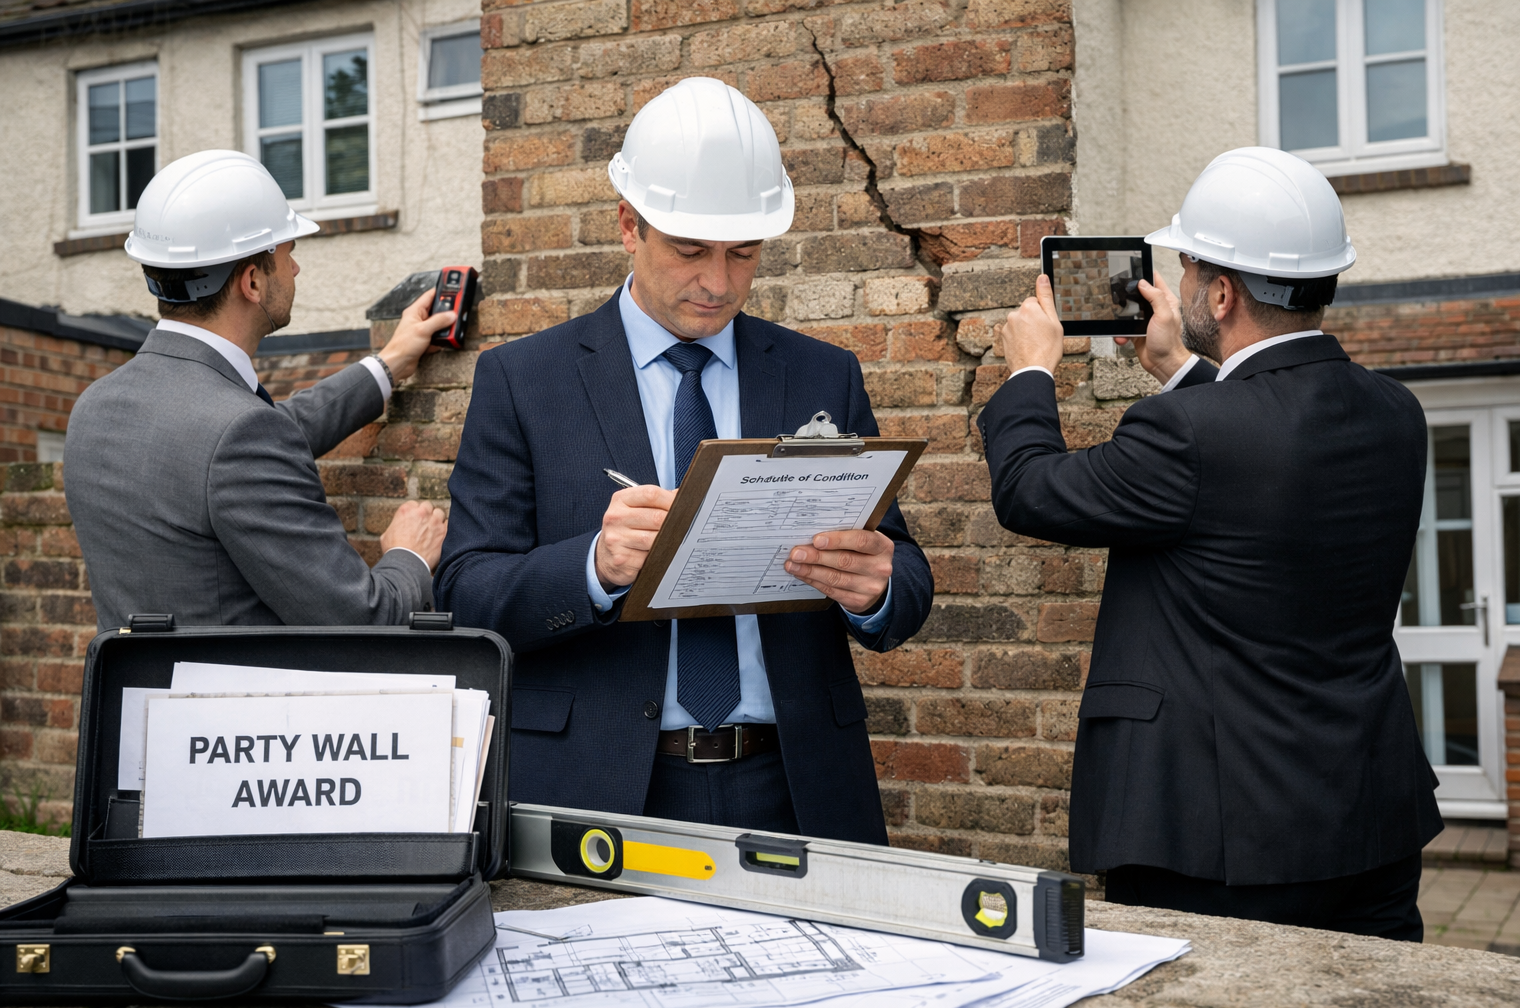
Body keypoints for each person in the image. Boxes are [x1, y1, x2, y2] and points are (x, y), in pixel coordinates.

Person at [436, 78, 933, 843]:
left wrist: (875, 588)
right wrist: (594, 567)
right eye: (691, 250)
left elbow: (903, 574)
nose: (720, 282)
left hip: (796, 783)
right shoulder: (524, 380)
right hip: (597, 787)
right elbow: (466, 596)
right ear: (629, 225)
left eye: (744, 253)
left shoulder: (820, 374)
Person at [978, 147, 1442, 939]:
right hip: (1368, 821)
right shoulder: (1395, 412)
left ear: (1221, 293)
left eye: (1189, 268)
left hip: (1216, 842)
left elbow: (1030, 491)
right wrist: (1184, 371)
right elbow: (1261, 467)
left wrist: (1031, 373)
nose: (1182, 283)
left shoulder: (1187, 434)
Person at [67, 150, 451, 629]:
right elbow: (364, 617)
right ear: (251, 280)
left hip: (131, 702)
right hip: (237, 702)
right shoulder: (238, 434)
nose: (294, 271)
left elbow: (253, 440)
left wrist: (388, 364)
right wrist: (408, 557)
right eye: (287, 254)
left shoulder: (94, 408)